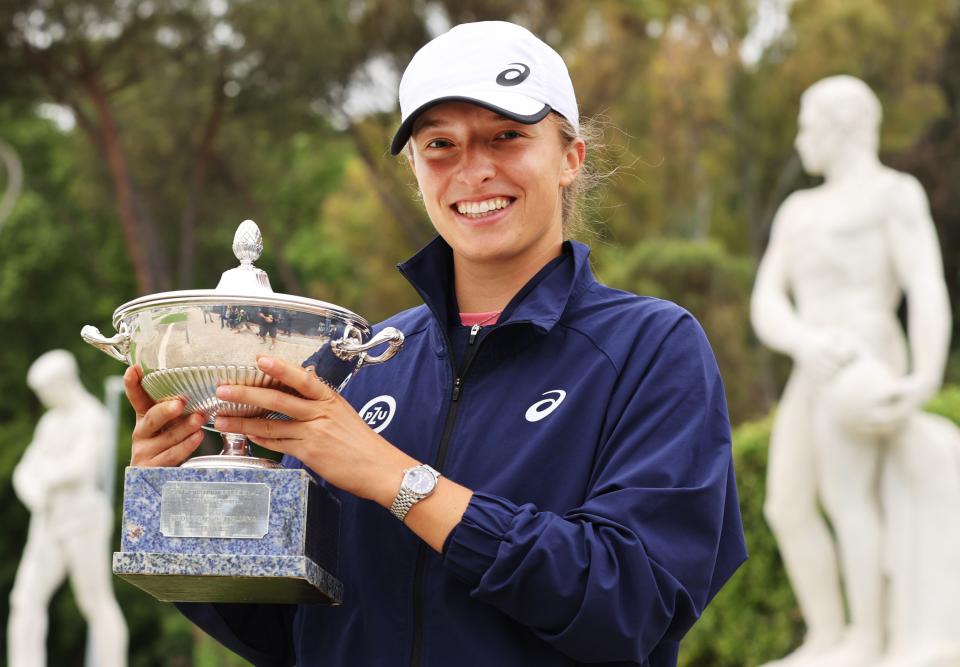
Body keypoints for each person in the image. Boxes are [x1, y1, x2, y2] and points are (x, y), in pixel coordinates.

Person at [123, 21, 746, 666]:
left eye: (506, 137)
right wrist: (180, 507)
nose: (473, 170)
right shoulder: (358, 359)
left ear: (569, 158)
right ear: (416, 168)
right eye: (440, 144)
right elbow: (292, 635)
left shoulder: (652, 347)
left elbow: (633, 603)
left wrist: (396, 479)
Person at [751, 76, 956, 667]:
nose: (800, 140)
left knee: (849, 499)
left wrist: (923, 377)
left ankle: (867, 637)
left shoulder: (893, 194)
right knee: (786, 504)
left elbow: (925, 286)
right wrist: (803, 341)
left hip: (866, 361)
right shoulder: (798, 209)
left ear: (842, 127)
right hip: (813, 362)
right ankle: (827, 634)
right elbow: (767, 300)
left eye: (808, 126)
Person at [9, 350, 128, 667]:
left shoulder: (92, 417)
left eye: (46, 390)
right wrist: (35, 490)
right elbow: (24, 471)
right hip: (48, 520)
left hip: (82, 518)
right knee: (24, 598)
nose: (44, 398)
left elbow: (81, 468)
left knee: (94, 601)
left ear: (62, 383)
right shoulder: (50, 422)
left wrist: (45, 476)